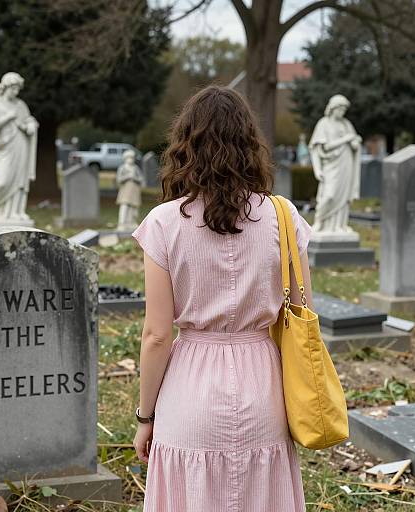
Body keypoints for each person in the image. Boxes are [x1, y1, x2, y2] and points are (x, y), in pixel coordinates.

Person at [131, 85, 313, 511]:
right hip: (264, 387)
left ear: (185, 145)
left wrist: (145, 417)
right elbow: (303, 311)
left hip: (189, 391)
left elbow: (157, 335)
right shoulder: (283, 217)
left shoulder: (163, 222)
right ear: (250, 144)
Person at [0, 72, 39, 227]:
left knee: (19, 180)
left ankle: (16, 212)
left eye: (18, 89)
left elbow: (28, 122)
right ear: (5, 87)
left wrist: (31, 126)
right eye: (13, 88)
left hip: (21, 145)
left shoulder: (21, 105)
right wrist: (8, 117)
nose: (16, 92)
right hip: (5, 147)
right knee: (2, 181)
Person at [308, 94, 362, 233]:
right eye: (340, 109)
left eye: (344, 110)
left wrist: (356, 143)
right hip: (331, 165)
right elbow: (324, 147)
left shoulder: (346, 124)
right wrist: (346, 139)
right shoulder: (323, 123)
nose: (342, 112)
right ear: (333, 108)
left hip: (346, 163)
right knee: (329, 195)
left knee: (343, 197)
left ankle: (340, 225)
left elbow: (355, 144)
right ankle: (320, 221)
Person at [116, 149, 145, 231]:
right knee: (124, 206)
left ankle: (131, 223)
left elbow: (141, 179)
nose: (130, 159)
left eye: (132, 158)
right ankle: (122, 223)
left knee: (133, 207)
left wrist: (135, 178)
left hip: (134, 191)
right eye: (129, 158)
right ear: (125, 158)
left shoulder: (135, 168)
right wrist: (128, 176)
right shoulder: (122, 168)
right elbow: (119, 179)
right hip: (125, 191)